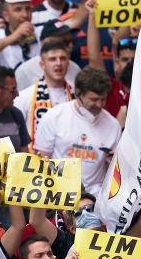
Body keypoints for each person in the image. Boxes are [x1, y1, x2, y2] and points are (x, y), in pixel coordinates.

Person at [33, 66, 120, 195]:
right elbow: (40, 160)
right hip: (57, 194)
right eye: (94, 99)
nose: (100, 105)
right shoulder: (54, 116)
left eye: (103, 99)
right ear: (78, 93)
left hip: (93, 198)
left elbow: (115, 169)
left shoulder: (113, 125)